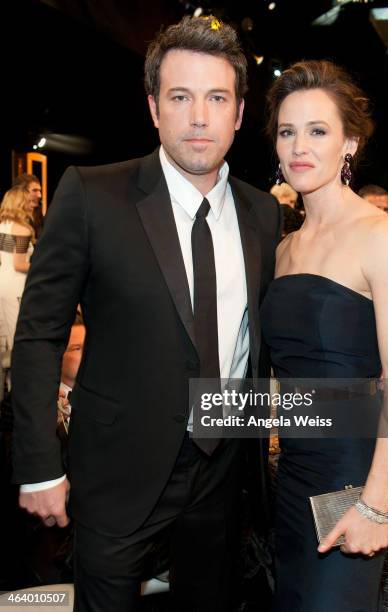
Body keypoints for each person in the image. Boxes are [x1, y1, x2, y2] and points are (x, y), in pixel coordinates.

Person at [11, 15, 280, 612]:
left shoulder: (264, 215)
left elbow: (252, 347)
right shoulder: (91, 194)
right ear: (154, 108)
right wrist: (37, 467)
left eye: (217, 98)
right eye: (180, 97)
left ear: (239, 113)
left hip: (223, 472)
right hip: (115, 470)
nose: (199, 117)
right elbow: (38, 336)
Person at [261, 60, 388, 611]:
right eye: (287, 131)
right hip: (291, 476)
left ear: (349, 143)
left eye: (318, 130)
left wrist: (377, 502)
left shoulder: (382, 235)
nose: (299, 146)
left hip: (354, 479)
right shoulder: (283, 249)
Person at [0, 187, 33, 351]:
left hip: (2, 282)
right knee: (16, 335)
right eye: (28, 200)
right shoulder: (22, 229)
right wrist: (41, 268)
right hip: (16, 287)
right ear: (20, 203)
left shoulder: (2, 225)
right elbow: (19, 264)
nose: (32, 204)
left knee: (4, 336)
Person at [13, 174, 44, 239]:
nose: (39, 195)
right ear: (20, 192)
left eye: (39, 191)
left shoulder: (38, 213)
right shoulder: (9, 216)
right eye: (35, 190)